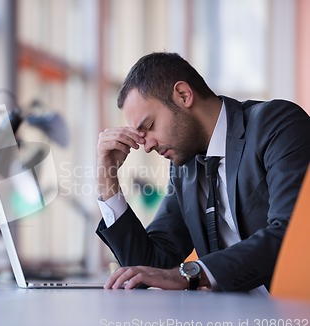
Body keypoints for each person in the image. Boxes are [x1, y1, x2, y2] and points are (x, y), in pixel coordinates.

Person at [96, 52, 310, 293]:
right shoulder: (184, 166)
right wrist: (108, 180)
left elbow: (291, 234)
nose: (147, 146)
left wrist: (193, 273)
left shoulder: (277, 125)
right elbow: (150, 267)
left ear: (183, 95)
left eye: (149, 126)